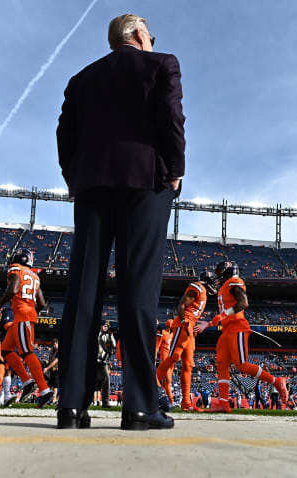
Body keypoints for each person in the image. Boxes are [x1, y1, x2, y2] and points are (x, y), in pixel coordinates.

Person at [56, 13, 184, 431]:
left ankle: (71, 406)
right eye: (150, 33)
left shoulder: (81, 79)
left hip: (93, 185)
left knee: (83, 291)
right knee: (138, 291)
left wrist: (74, 177)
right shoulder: (162, 63)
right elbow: (170, 118)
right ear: (139, 35)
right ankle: (140, 407)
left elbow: (65, 133)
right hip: (146, 182)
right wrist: (175, 168)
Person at [194, 261, 289, 413]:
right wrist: (210, 323)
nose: (218, 276)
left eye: (219, 273)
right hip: (227, 329)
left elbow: (243, 303)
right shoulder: (224, 287)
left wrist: (222, 316)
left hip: (237, 327)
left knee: (241, 365)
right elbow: (223, 315)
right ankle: (223, 403)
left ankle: (276, 381)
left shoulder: (234, 281)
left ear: (227, 271)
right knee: (221, 365)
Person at [0, 249, 53, 409]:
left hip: (21, 316)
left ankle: (44, 389)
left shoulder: (15, 269)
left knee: (27, 352)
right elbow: (41, 303)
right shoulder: (35, 276)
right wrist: (32, 313)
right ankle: (27, 381)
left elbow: (12, 290)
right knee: (5, 350)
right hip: (25, 315)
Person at [157, 271, 216, 410]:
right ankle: (153, 384)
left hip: (190, 327)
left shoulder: (203, 291)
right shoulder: (197, 287)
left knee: (188, 365)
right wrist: (184, 322)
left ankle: (186, 403)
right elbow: (181, 305)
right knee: (174, 357)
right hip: (183, 326)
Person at [95, 323, 117, 407]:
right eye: (104, 325)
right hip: (92, 360)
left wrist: (111, 335)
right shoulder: (96, 333)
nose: (106, 327)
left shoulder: (108, 336)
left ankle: (105, 401)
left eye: (107, 326)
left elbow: (114, 346)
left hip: (102, 361)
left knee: (106, 379)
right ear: (100, 326)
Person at [154, 320, 173, 408]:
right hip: (164, 358)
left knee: (166, 382)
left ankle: (165, 400)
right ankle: (170, 401)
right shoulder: (164, 333)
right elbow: (157, 345)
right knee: (168, 381)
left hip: (170, 358)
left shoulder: (172, 334)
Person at [43, 337, 60, 402]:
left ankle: (55, 399)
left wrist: (47, 368)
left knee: (55, 385)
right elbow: (50, 360)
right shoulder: (52, 350)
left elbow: (55, 361)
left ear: (58, 343)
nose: (54, 346)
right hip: (52, 370)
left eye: (55, 344)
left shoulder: (60, 351)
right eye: (53, 344)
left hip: (57, 370)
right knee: (51, 386)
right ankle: (52, 398)